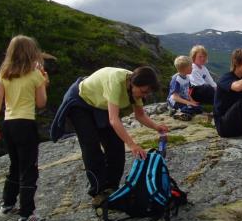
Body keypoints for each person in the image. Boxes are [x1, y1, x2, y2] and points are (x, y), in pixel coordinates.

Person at [50, 66, 169, 207]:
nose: (144, 95)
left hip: (100, 105)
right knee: (91, 146)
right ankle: (98, 192)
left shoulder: (136, 88)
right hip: (80, 101)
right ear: (132, 83)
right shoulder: (116, 82)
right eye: (143, 92)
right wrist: (132, 145)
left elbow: (140, 115)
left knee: (116, 145)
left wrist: (156, 127)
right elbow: (113, 119)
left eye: (147, 93)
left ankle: (112, 188)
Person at [0, 35, 49, 221]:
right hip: (26, 123)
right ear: (32, 53)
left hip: (8, 124)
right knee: (28, 168)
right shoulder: (35, 75)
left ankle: (7, 204)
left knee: (15, 165)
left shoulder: (4, 73)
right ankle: (26, 216)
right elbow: (41, 103)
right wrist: (44, 83)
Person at [167, 55, 203, 121]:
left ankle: (183, 113)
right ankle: (176, 113)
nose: (192, 68)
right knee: (188, 109)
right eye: (190, 67)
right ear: (184, 69)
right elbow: (175, 97)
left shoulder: (187, 77)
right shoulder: (176, 79)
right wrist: (188, 103)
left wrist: (192, 101)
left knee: (199, 108)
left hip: (183, 100)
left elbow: (187, 91)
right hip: (175, 102)